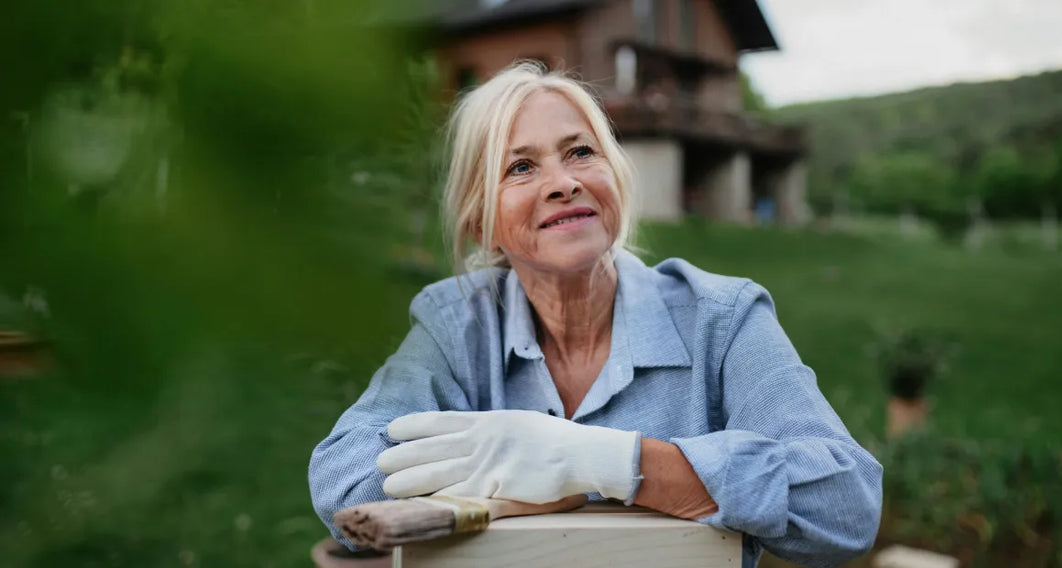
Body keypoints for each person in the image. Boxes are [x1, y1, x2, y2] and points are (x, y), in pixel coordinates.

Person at [309, 62, 882, 567]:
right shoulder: (456, 321)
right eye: (520, 168)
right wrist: (521, 486)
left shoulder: (722, 318)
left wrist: (609, 461)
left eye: (581, 152)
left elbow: (845, 506)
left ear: (615, 176)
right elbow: (344, 480)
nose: (564, 183)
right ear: (481, 222)